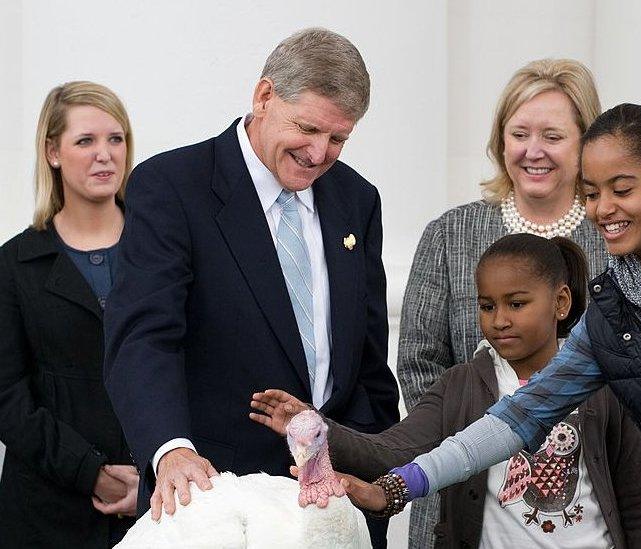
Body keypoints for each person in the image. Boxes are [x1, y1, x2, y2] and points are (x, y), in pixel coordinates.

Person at [330, 104, 641, 549]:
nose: (603, 209)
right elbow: (515, 418)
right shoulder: (614, 317)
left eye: (622, 189)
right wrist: (396, 488)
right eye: (592, 193)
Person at [102, 27, 399, 547]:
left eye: (338, 138)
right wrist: (170, 449)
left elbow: (369, 362)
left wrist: (374, 475)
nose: (318, 153)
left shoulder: (357, 199)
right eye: (306, 128)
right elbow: (144, 337)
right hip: (215, 502)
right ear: (264, 96)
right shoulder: (173, 186)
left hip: (334, 507)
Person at [252, 234, 641, 549]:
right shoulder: (461, 384)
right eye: (487, 306)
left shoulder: (604, 385)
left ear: (560, 303)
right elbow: (391, 451)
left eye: (517, 303)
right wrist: (315, 427)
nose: (500, 319)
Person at [396, 58, 607, 548]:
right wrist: (483, 447)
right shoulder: (450, 233)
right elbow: (419, 364)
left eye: (553, 136)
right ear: (500, 142)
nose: (534, 151)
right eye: (519, 134)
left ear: (585, 144)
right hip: (462, 497)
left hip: (583, 502)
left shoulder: (612, 236)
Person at [0, 81, 138, 547]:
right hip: (46, 515)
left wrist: (154, 476)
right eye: (86, 141)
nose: (105, 155)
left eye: (115, 139)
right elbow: (7, 399)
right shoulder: (13, 265)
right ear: (52, 152)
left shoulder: (165, 251)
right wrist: (91, 472)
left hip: (158, 508)